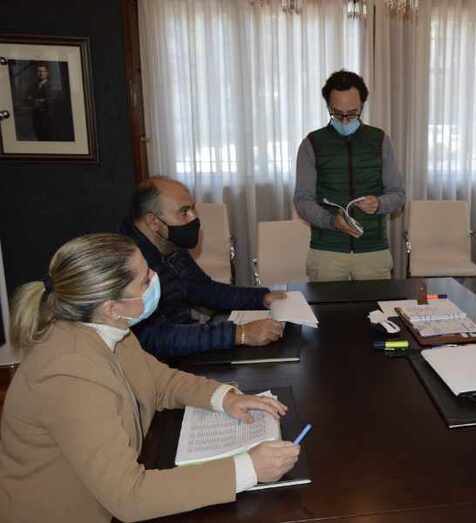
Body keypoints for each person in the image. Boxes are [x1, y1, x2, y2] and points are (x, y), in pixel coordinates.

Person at [0, 234, 301, 523]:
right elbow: (129, 496)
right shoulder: (69, 376)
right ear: (111, 307)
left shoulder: (110, 330)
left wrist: (225, 398)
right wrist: (248, 469)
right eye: (145, 280)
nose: (156, 279)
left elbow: (159, 381)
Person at [120, 177, 285, 359]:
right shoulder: (126, 263)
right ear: (153, 221)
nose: (194, 218)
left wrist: (262, 298)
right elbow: (154, 338)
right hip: (158, 361)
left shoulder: (168, 244)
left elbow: (203, 289)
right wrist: (240, 334)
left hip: (184, 344)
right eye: (184, 212)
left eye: (193, 209)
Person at [294, 70, 406, 281]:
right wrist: (331, 221)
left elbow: (398, 195)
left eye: (352, 113)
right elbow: (302, 199)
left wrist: (379, 204)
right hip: (327, 252)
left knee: (378, 304)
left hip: (373, 251)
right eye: (338, 113)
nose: (345, 120)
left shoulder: (380, 140)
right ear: (328, 107)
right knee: (326, 304)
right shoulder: (312, 143)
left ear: (362, 106)